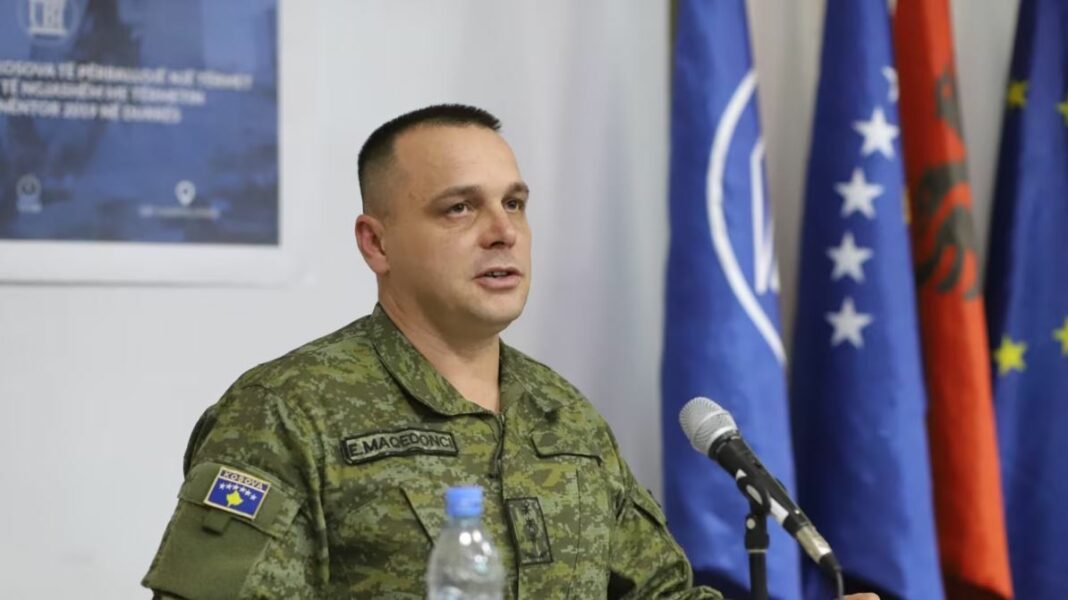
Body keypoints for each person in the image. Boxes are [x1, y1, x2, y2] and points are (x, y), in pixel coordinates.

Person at [143, 104, 877, 600]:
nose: (503, 232)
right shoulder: (286, 413)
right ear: (377, 242)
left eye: (515, 203)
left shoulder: (564, 415)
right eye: (460, 207)